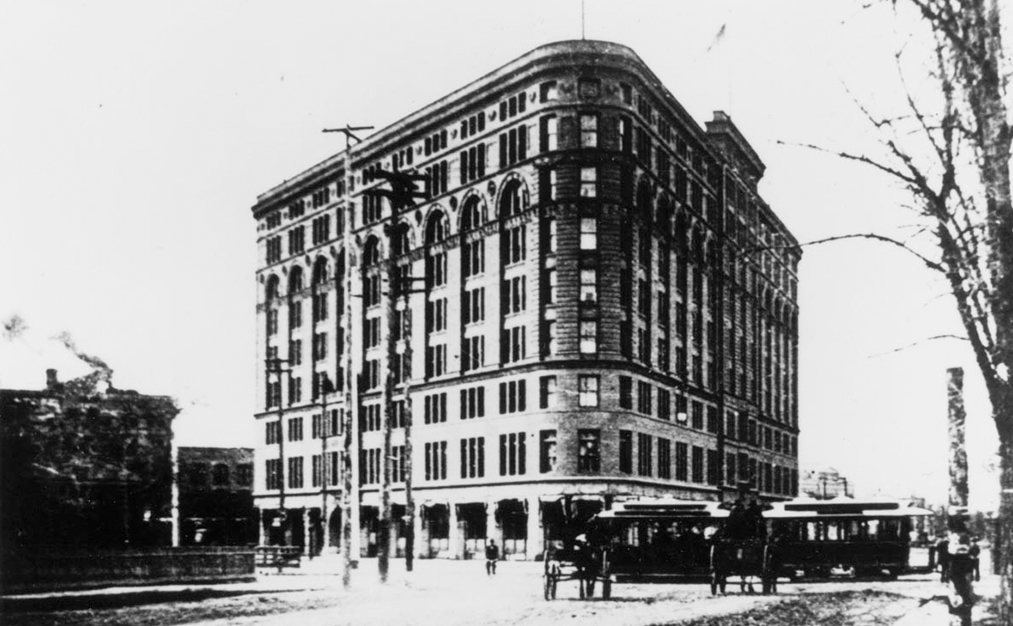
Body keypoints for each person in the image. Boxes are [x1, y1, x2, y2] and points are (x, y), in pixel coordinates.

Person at [947, 533, 975, 626]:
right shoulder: (969, 555)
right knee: (966, 608)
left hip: (956, 582)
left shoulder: (954, 556)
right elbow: (970, 572)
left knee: (955, 608)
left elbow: (951, 571)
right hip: (964, 583)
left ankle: (956, 621)